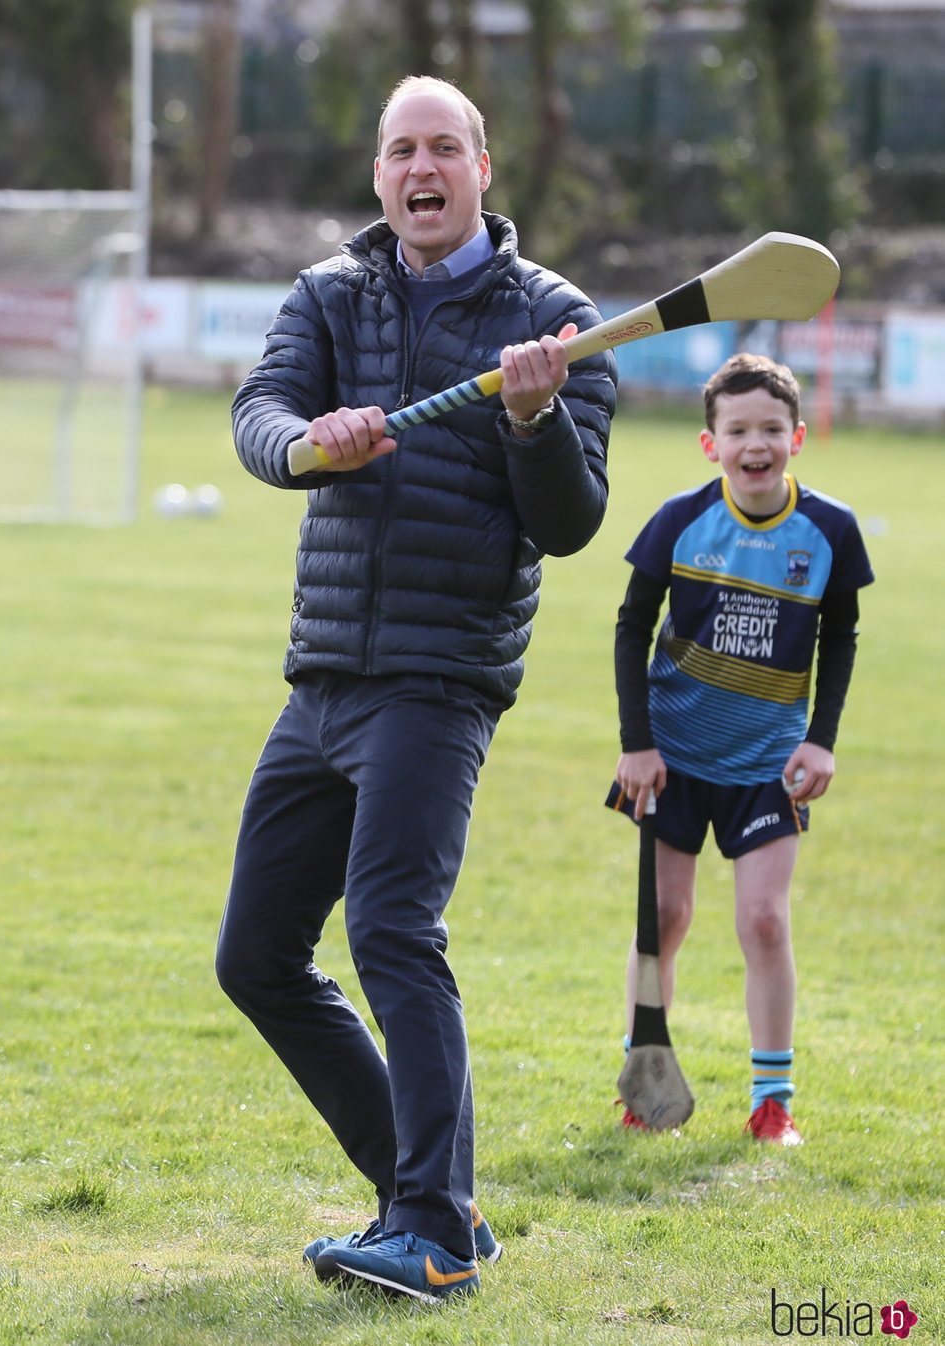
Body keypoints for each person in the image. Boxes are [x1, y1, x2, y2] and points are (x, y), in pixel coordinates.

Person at [215, 74, 617, 1302]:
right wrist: (302, 443)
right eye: (401, 149)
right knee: (257, 953)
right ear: (379, 174)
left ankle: (432, 1233)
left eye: (444, 145)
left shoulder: (556, 321)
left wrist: (535, 420)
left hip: (437, 681)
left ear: (482, 169)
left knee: (391, 929)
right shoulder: (330, 292)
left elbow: (570, 520)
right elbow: (259, 407)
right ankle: (428, 1196)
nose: (420, 167)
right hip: (325, 672)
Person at [609, 352, 873, 1145]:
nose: (753, 445)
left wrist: (821, 742)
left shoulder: (829, 530)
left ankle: (772, 1104)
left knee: (762, 921)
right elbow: (629, 628)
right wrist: (637, 745)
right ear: (709, 442)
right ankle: (644, 1087)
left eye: (769, 429)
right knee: (666, 917)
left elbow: (842, 636)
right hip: (673, 757)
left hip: (769, 763)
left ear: (797, 435)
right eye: (737, 430)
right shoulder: (679, 521)